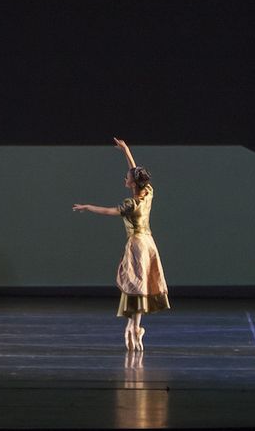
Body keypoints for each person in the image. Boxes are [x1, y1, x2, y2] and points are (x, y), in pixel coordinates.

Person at [73, 138, 170, 350]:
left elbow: (109, 211)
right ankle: (134, 326)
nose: (125, 178)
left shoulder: (131, 204)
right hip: (149, 243)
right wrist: (126, 150)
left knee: (135, 285)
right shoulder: (148, 193)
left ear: (133, 183)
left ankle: (134, 327)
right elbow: (135, 172)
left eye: (127, 178)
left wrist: (88, 207)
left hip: (137, 244)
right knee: (139, 286)